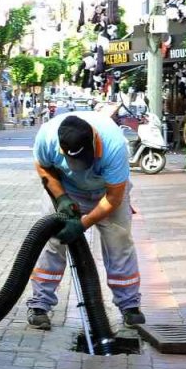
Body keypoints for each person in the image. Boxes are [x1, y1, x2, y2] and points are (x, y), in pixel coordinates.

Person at [26, 113, 144, 330]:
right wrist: (61, 198)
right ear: (62, 149)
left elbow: (114, 197)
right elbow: (43, 168)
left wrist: (82, 224)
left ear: (94, 141)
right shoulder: (47, 136)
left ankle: (130, 306)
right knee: (53, 242)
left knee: (119, 241)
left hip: (105, 191)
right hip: (67, 188)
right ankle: (40, 305)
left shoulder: (114, 145)